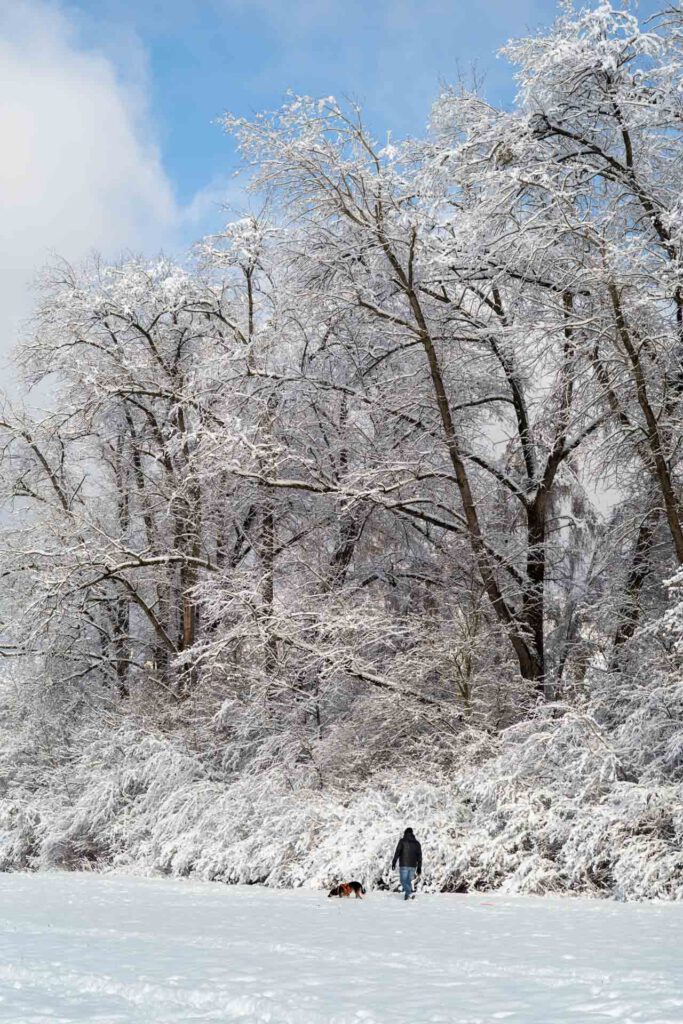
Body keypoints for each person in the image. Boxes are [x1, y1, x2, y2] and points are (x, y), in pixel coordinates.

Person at [391, 827, 422, 900]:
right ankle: (407, 897)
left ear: (405, 833)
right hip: (413, 865)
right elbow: (419, 856)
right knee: (408, 881)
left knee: (403, 881)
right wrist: (419, 867)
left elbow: (397, 852)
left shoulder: (402, 841)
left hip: (404, 865)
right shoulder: (417, 843)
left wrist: (394, 862)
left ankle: (410, 894)